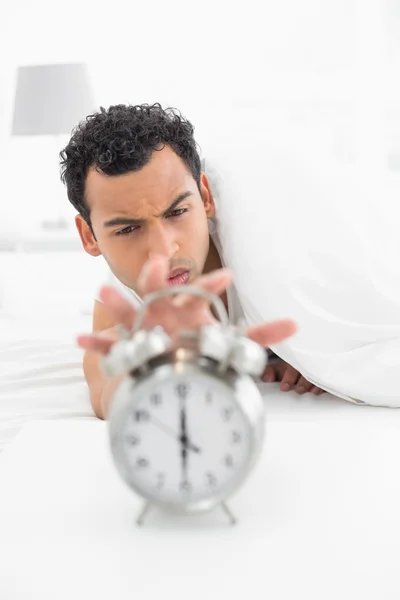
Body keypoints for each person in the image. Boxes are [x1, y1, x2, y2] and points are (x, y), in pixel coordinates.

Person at [59, 104, 325, 419]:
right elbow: (109, 396)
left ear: (206, 197)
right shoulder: (121, 311)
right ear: (89, 236)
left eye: (177, 212)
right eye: (127, 229)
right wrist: (164, 350)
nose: (163, 252)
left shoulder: (270, 242)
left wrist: (311, 352)